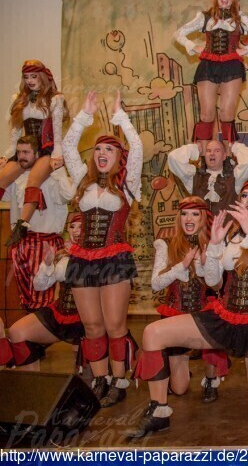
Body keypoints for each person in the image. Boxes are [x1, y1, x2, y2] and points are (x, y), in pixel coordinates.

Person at [129, 179, 248, 438]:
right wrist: (217, 245)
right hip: (226, 318)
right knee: (153, 333)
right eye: (245, 195)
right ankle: (159, 412)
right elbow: (213, 281)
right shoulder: (232, 235)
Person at [63, 89, 142, 407]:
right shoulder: (83, 180)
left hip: (114, 259)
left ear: (119, 156)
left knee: (113, 325)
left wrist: (120, 117)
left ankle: (119, 380)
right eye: (98, 148)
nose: (101, 152)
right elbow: (68, 146)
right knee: (92, 325)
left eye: (109, 148)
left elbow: (137, 146)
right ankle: (99, 380)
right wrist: (85, 114)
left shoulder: (128, 183)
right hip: (82, 260)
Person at [148, 196, 230, 404]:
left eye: (195, 214)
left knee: (212, 332)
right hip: (175, 312)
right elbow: (156, 284)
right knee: (179, 389)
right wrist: (181, 266)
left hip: (202, 312)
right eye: (184, 214)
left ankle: (210, 380)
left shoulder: (212, 245)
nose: (189, 219)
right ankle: (176, 372)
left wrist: (206, 264)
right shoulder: (165, 244)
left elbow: (217, 286)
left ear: (203, 218)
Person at [174, 0, 248, 153]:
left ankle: (227, 157)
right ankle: (205, 158)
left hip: (232, 67)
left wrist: (247, 49)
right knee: (206, 114)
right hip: (208, 66)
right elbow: (178, 34)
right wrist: (193, 46)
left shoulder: (240, 19)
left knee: (227, 114)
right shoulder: (204, 17)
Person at [0, 60, 67, 245]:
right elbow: (15, 134)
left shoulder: (55, 99)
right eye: (26, 77)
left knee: (33, 181)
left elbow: (57, 133)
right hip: (26, 149)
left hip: (46, 149)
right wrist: (7, 155)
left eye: (34, 76)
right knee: (2, 178)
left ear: (42, 76)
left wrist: (57, 156)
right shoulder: (18, 99)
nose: (30, 80)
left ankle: (21, 225)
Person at [6, 214, 85, 371]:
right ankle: (32, 384)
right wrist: (47, 264)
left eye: (81, 227)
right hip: (61, 313)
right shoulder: (62, 253)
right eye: (72, 226)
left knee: (84, 363)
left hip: (88, 319)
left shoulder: (100, 256)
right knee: (17, 332)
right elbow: (39, 286)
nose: (76, 231)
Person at [5, 136, 75, 312]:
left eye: (26, 152)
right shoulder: (17, 179)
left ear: (37, 154)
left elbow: (67, 195)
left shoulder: (52, 178)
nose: (21, 156)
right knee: (25, 296)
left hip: (46, 241)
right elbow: (4, 195)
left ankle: (40, 328)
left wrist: (59, 170)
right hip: (21, 241)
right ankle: (30, 327)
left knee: (43, 296)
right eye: (19, 152)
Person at [167, 139, 248, 215]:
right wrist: (195, 148)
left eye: (217, 151)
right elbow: (173, 158)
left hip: (229, 231)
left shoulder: (235, 177)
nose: (212, 153)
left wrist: (234, 146)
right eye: (208, 151)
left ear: (224, 156)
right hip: (202, 231)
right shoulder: (193, 177)